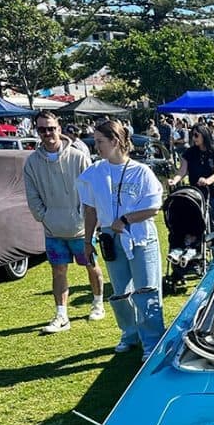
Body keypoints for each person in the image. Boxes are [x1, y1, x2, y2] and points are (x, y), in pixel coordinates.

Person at [77, 118, 165, 360]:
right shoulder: (94, 173)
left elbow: (153, 207)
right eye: (95, 141)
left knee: (146, 290)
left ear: (115, 140)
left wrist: (125, 220)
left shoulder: (141, 171)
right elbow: (91, 209)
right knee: (119, 292)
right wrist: (87, 241)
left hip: (140, 238)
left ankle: (152, 340)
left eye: (100, 141)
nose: (96, 147)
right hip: (109, 238)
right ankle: (129, 332)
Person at [23, 110, 105, 334]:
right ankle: (61, 315)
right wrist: (45, 216)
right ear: (37, 131)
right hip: (53, 230)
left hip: (80, 230)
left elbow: (90, 190)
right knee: (58, 272)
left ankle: (98, 303)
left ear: (59, 128)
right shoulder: (31, 162)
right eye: (42, 129)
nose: (48, 133)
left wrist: (85, 219)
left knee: (91, 266)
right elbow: (32, 196)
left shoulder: (78, 156)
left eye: (51, 128)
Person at [168, 123, 214, 236]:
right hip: (197, 194)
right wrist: (174, 180)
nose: (193, 138)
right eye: (192, 135)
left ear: (204, 135)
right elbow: (182, 170)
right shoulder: (189, 153)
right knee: (193, 225)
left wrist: (207, 181)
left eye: (196, 135)